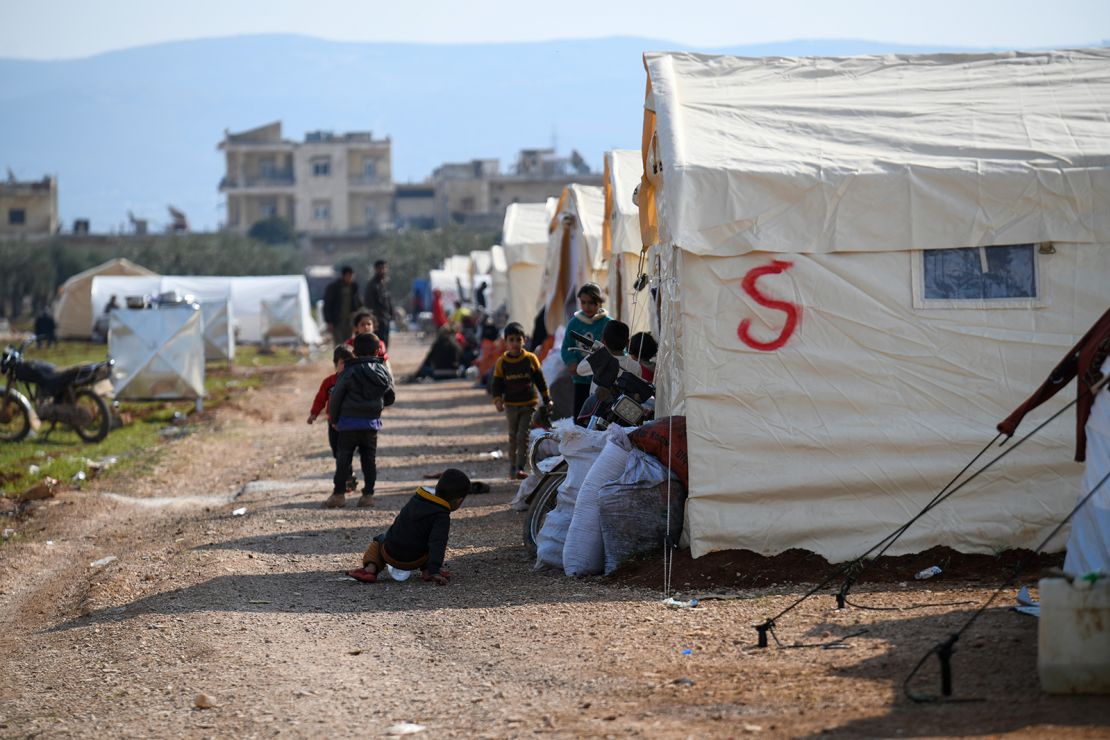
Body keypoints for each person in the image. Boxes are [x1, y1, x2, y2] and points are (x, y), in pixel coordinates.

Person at [346, 468, 472, 585]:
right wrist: (435, 570)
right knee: (430, 543)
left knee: (379, 541)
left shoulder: (416, 499)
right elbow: (438, 543)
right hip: (415, 559)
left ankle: (370, 570)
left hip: (389, 553)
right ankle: (428, 571)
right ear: (458, 501)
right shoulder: (441, 516)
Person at [325, 332, 395, 509]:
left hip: (348, 424)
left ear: (354, 351)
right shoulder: (382, 370)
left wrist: (334, 418)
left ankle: (339, 495)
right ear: (377, 350)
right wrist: (377, 407)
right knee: (369, 460)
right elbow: (390, 396)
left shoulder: (348, 371)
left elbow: (336, 397)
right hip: (370, 424)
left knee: (344, 460)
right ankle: (368, 495)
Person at [491, 322, 552, 479]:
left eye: (518, 340)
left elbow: (540, 381)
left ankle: (519, 467)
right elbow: (497, 384)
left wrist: (547, 398)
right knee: (513, 435)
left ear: (524, 340)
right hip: (511, 405)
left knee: (523, 435)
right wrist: (498, 400)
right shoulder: (502, 363)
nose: (515, 343)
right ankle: (512, 467)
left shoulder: (531, 359)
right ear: (505, 342)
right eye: (511, 340)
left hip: (528, 404)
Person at [307, 344, 358, 490]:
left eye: (350, 363)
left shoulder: (355, 381)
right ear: (336, 364)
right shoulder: (329, 382)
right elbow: (320, 399)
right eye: (343, 363)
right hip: (333, 422)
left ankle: (345, 480)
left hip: (349, 423)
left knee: (345, 451)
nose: (346, 366)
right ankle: (349, 473)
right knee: (337, 451)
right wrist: (314, 413)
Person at [560, 283, 611, 422]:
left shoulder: (608, 323)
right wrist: (571, 363)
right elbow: (566, 347)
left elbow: (616, 347)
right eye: (583, 302)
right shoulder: (574, 323)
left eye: (591, 303)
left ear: (599, 302)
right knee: (580, 415)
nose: (587, 306)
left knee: (600, 416)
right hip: (581, 379)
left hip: (601, 381)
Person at [576, 319, 642, 397]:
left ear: (603, 342)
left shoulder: (600, 359)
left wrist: (596, 351)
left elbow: (579, 370)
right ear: (628, 342)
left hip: (598, 404)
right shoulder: (636, 366)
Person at [322, 266, 363, 346]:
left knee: (349, 343)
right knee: (339, 344)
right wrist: (329, 321)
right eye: (349, 276)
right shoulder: (333, 288)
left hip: (350, 321)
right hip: (337, 321)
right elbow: (327, 305)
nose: (351, 278)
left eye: (352, 276)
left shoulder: (353, 287)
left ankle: (347, 358)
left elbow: (358, 303)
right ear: (344, 275)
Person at [363, 260, 394, 348]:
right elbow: (368, 304)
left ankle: (383, 360)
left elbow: (389, 300)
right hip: (377, 319)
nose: (383, 270)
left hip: (386, 318)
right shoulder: (372, 285)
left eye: (384, 268)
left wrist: (391, 313)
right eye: (380, 268)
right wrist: (373, 318)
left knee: (385, 342)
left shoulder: (385, 283)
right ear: (376, 269)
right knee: (377, 343)